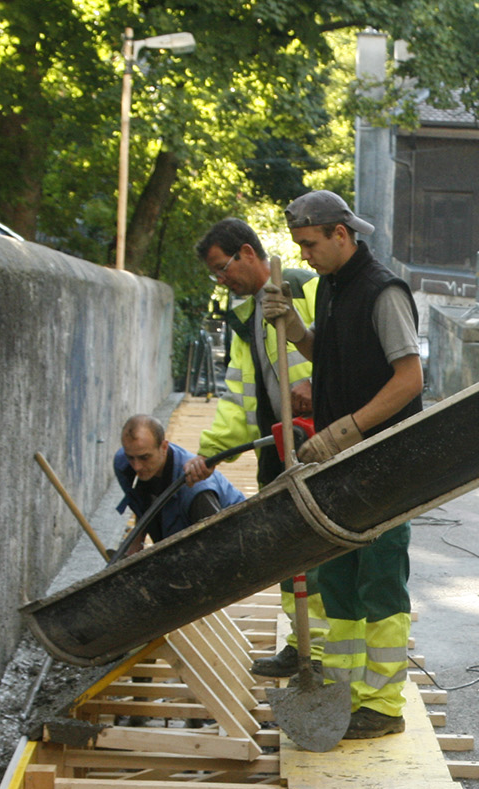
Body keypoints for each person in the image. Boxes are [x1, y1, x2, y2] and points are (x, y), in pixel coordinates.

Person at [261, 189, 426, 741]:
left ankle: (382, 704)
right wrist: (294, 329)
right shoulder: (329, 289)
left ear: (340, 233)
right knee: (338, 582)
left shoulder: (384, 293)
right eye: (299, 247)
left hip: (383, 464)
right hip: (341, 468)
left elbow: (409, 380)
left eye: (310, 244)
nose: (304, 255)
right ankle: (349, 694)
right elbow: (327, 357)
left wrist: (348, 428)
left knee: (379, 583)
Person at [192, 216, 327, 679]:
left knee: (323, 546)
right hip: (278, 441)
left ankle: (325, 649)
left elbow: (342, 350)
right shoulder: (245, 317)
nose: (221, 279)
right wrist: (210, 454)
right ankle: (300, 642)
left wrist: (318, 381)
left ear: (248, 253)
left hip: (320, 439)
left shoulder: (306, 286)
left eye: (222, 266)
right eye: (215, 273)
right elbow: (239, 396)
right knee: (288, 548)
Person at [113, 412, 245, 547]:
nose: (137, 467)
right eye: (131, 457)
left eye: (144, 457)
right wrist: (136, 540)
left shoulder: (195, 488)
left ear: (164, 447)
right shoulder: (124, 464)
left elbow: (220, 545)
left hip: (236, 538)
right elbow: (141, 500)